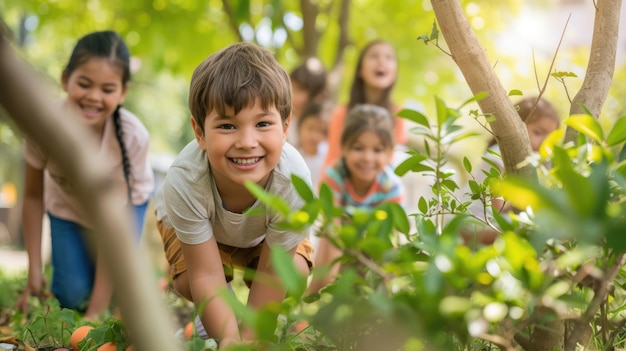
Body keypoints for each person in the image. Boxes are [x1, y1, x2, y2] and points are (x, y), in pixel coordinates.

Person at [154, 42, 314, 348]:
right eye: (227, 125)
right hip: (202, 234)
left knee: (293, 273)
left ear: (285, 127)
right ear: (199, 132)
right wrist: (229, 338)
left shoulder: (293, 181)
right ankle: (215, 315)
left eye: (263, 124)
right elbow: (204, 273)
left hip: (261, 235)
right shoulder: (185, 181)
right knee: (190, 279)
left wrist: (253, 340)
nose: (246, 142)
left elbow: (272, 271)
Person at [16, 30, 154, 318]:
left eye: (107, 89)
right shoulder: (43, 127)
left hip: (122, 211)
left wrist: (95, 312)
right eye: (84, 84)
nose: (94, 97)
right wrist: (33, 271)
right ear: (66, 79)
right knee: (71, 297)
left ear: (123, 92)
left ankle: (114, 287)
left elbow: (113, 227)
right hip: (66, 209)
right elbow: (31, 196)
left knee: (112, 290)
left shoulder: (132, 138)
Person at [308, 104, 405, 294]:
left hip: (374, 245)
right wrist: (330, 282)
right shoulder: (335, 175)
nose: (368, 158)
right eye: (358, 148)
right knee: (326, 265)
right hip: (339, 241)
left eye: (377, 150)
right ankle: (309, 307)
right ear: (344, 147)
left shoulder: (390, 186)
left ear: (389, 153)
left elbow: (390, 239)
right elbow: (333, 231)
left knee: (379, 278)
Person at [460, 96, 560, 245]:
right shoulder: (501, 153)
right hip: (473, 221)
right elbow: (498, 208)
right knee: (528, 233)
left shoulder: (536, 162)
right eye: (538, 133)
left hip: (490, 222)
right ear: (514, 128)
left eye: (550, 137)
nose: (544, 142)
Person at [323, 39, 407, 172]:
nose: (381, 61)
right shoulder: (341, 114)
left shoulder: (399, 114)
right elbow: (333, 160)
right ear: (360, 70)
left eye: (389, 58)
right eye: (374, 56)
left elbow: (393, 166)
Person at [287, 57, 327, 147]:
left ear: (317, 95)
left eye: (299, 90)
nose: (292, 95)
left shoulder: (325, 127)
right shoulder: (282, 123)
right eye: (291, 88)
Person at [296, 102, 328, 189]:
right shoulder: (294, 156)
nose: (313, 136)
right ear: (300, 126)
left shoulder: (327, 155)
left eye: (320, 131)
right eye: (310, 128)